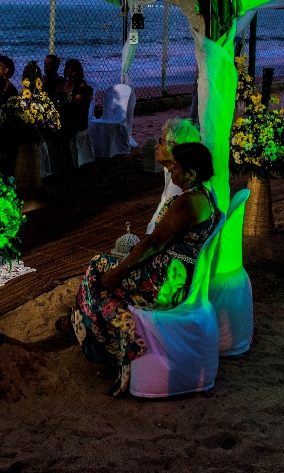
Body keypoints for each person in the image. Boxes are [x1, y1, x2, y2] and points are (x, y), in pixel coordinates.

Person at [60, 142, 221, 396]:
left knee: (98, 269)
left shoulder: (189, 202)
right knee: (102, 274)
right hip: (176, 277)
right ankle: (93, 335)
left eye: (176, 168)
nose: (172, 172)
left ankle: (94, 341)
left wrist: (120, 270)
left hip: (163, 284)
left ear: (191, 175)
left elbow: (154, 243)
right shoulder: (206, 195)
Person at [145, 118, 201, 233]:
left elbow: (161, 234)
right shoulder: (171, 173)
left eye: (161, 141)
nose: (157, 146)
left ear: (176, 147)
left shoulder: (180, 185)